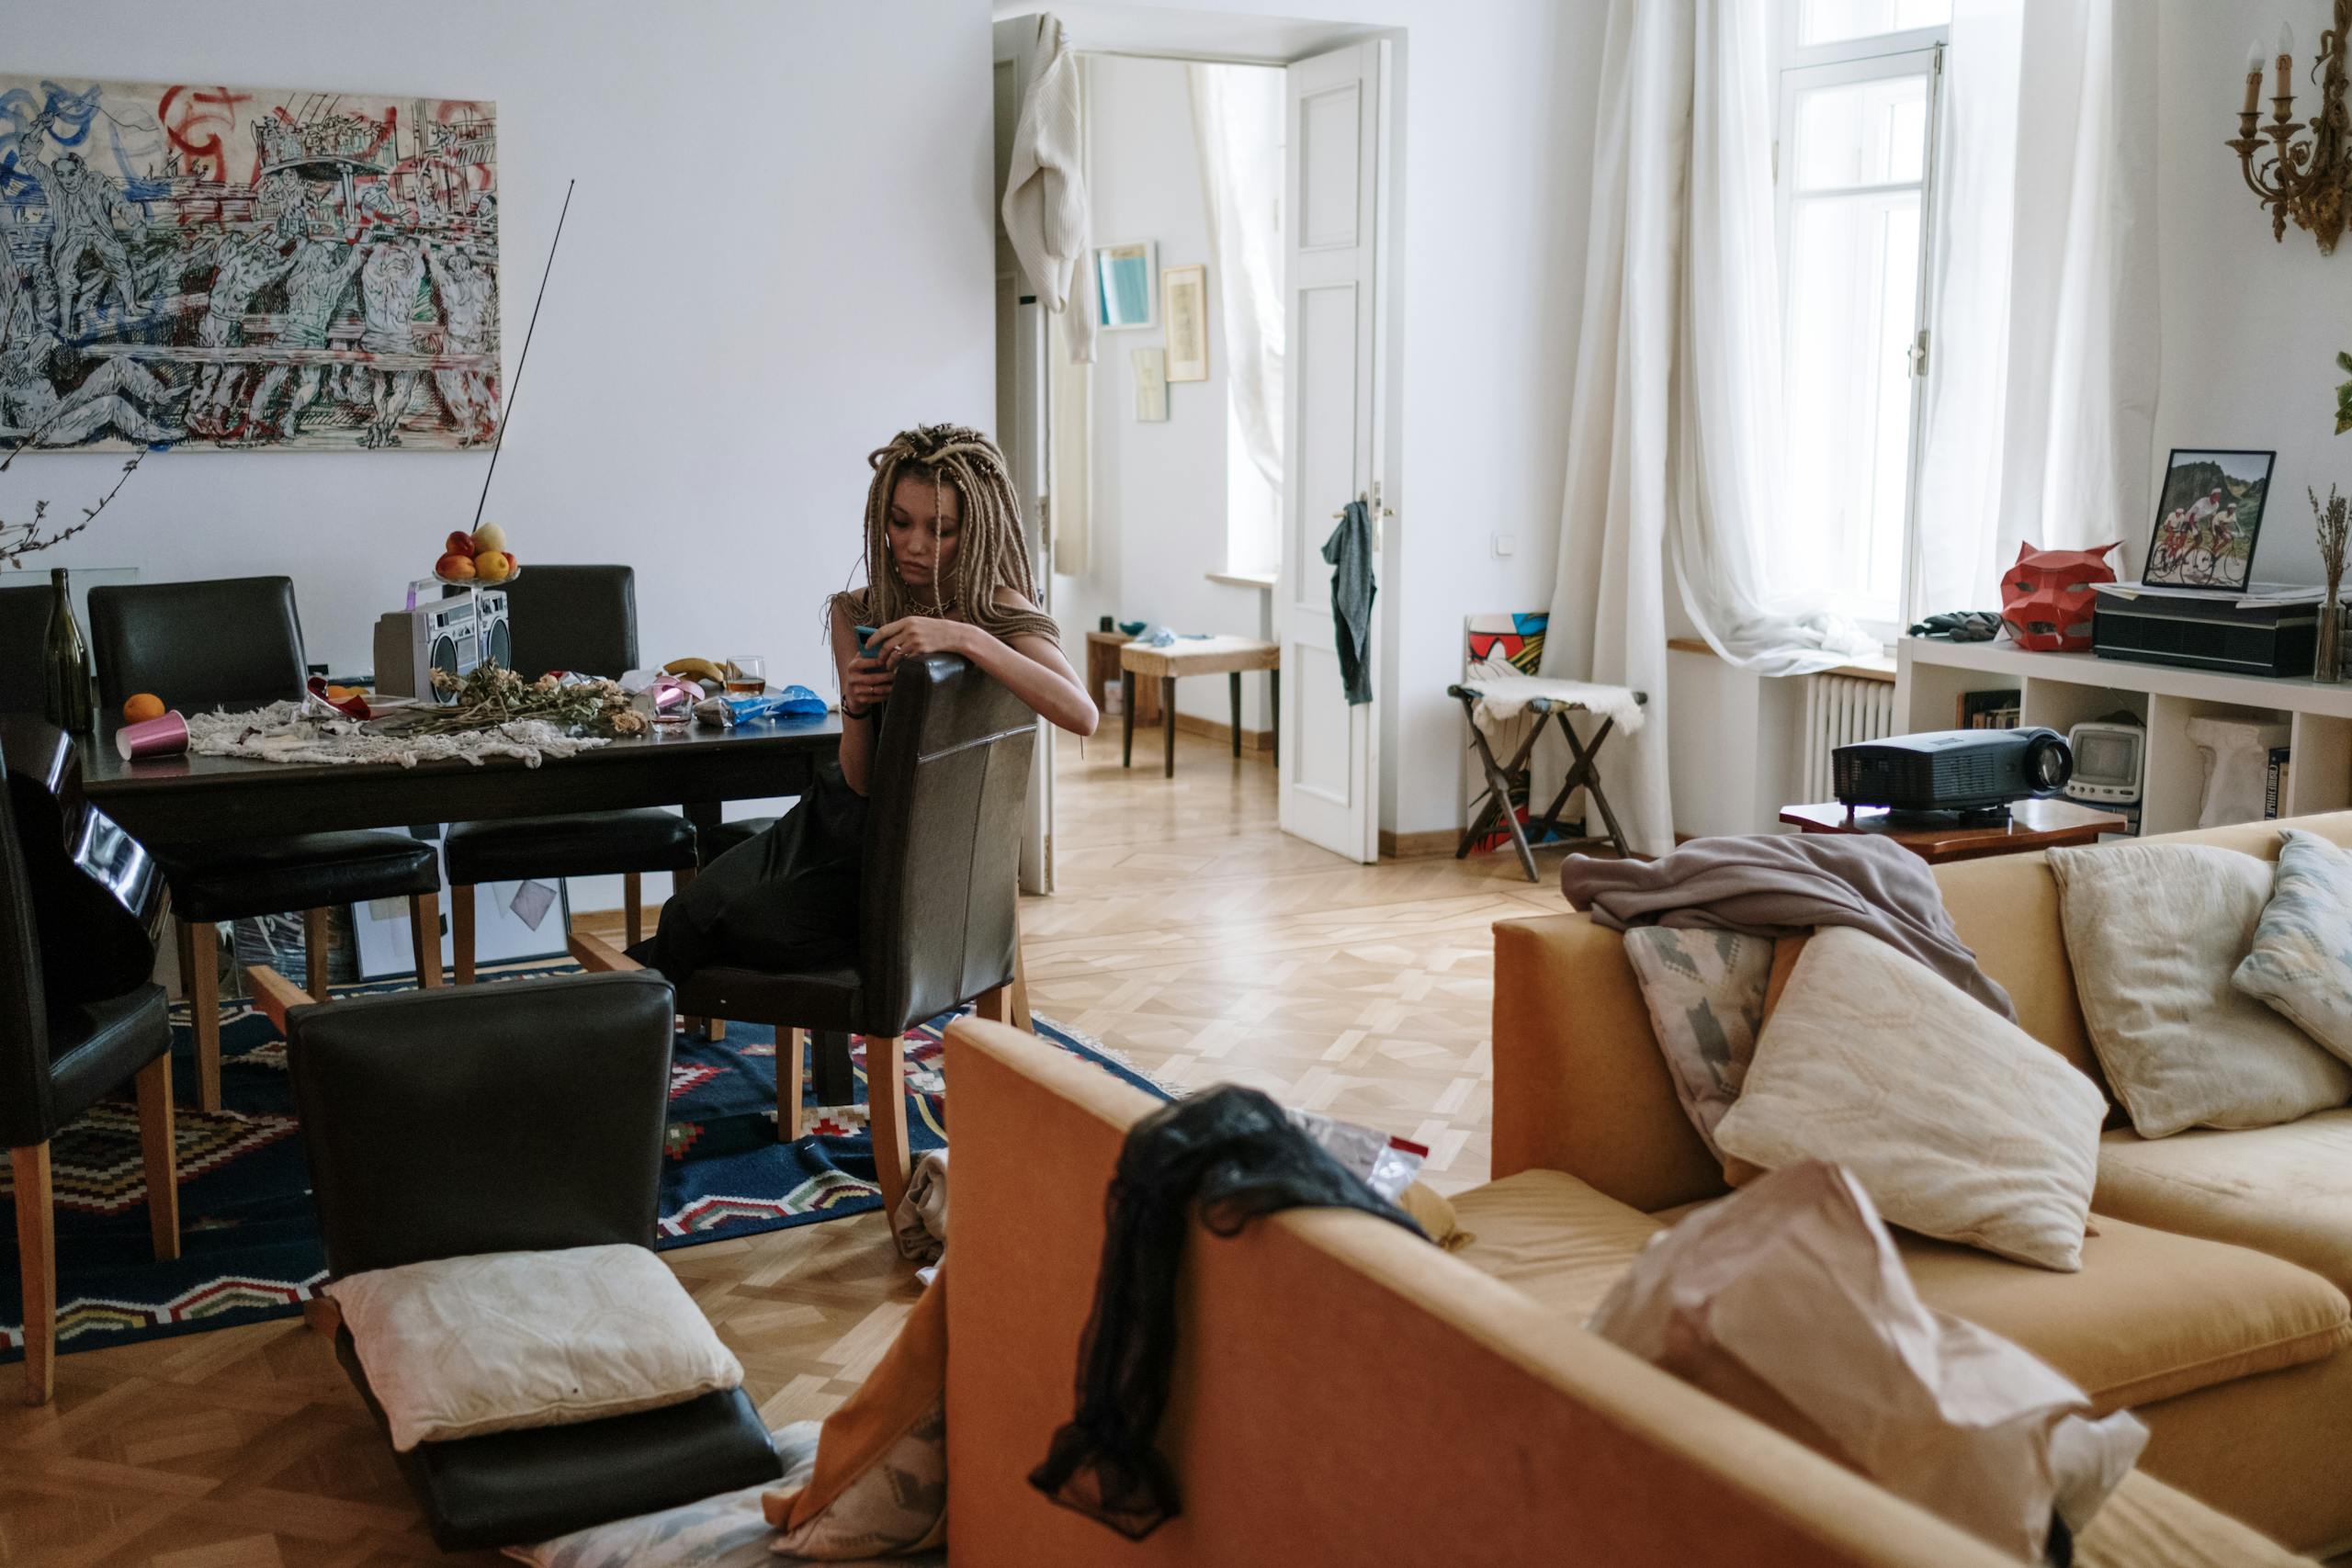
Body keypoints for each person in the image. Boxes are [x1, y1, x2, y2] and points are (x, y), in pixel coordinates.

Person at [634, 423, 1097, 985]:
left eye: (941, 529)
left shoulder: (998, 612)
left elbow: (1082, 713)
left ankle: (618, 1010)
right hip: (838, 825)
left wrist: (966, 637)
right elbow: (860, 782)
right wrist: (853, 707)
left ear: (974, 531)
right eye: (900, 522)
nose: (916, 544)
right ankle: (623, 1014)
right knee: (691, 915)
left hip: (926, 856)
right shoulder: (857, 611)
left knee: (727, 925)